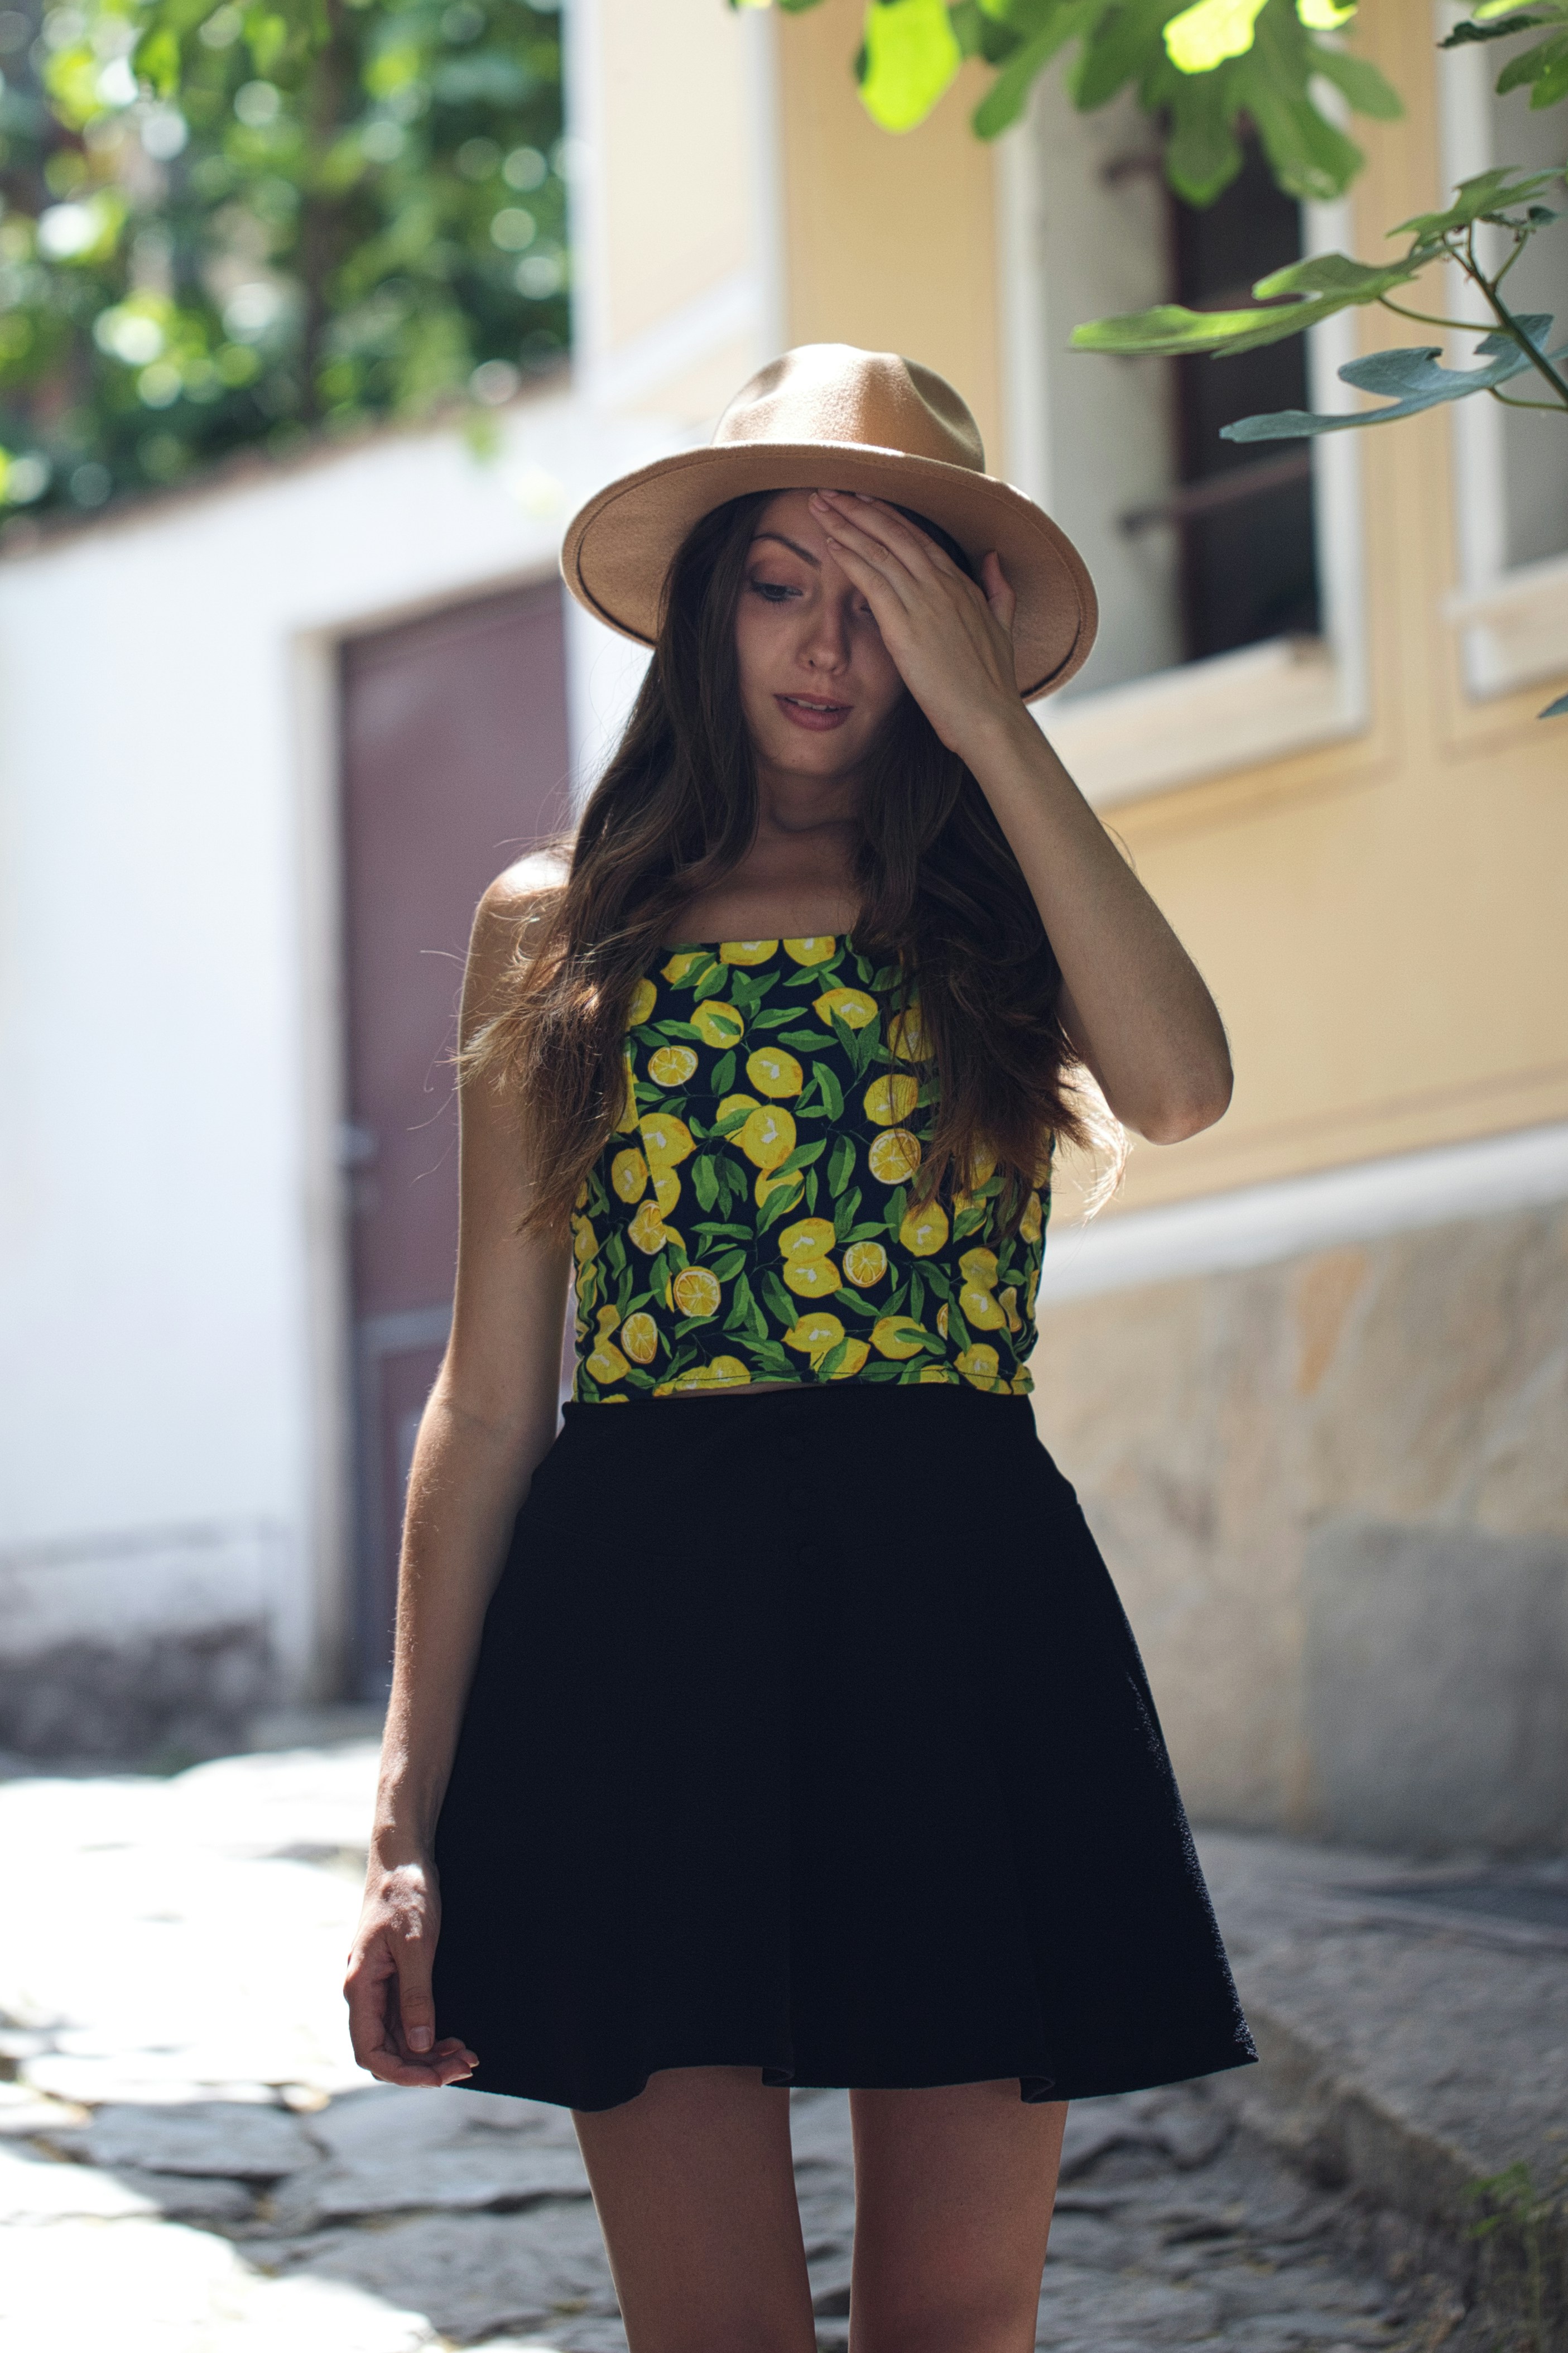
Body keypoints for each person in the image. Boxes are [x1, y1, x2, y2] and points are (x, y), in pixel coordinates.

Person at [345, 343, 1256, 2353]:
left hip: (959, 1619)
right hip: (634, 1640)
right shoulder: (558, 922)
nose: (825, 647)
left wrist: (994, 725)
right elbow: (495, 1399)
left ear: (959, 622)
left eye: (887, 593)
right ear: (705, 610)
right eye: (781, 584)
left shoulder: (1012, 896)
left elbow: (1180, 1088)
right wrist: (407, 1822)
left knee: (952, 2329)